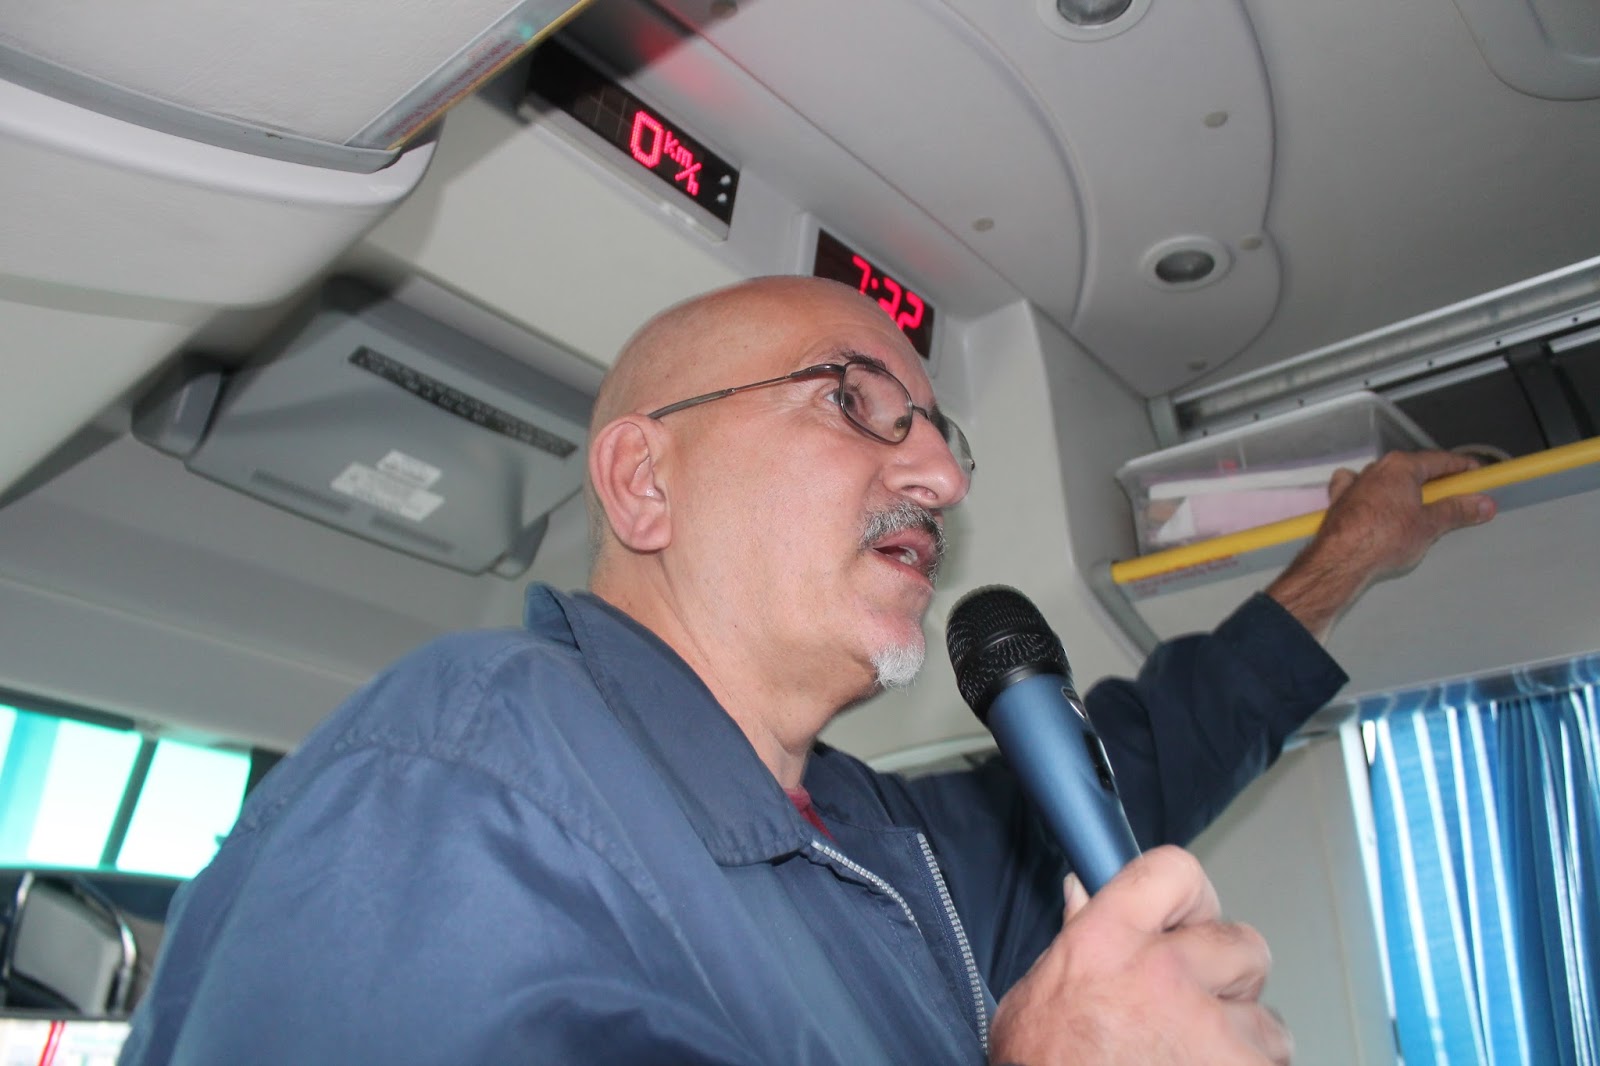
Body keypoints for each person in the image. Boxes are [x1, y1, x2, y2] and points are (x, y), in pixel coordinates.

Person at [118, 277, 1494, 1065]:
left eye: (941, 433)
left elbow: (1139, 757)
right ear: (644, 482)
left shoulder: (880, 845)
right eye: (852, 400)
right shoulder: (459, 772)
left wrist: (1346, 559)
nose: (941, 474)